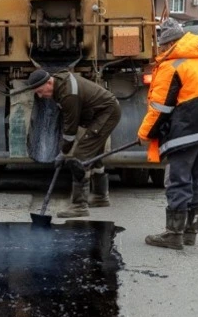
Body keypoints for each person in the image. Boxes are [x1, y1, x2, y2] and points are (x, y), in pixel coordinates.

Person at [137, 18, 198, 250]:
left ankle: (174, 234)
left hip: (188, 130)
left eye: (162, 46)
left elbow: (160, 108)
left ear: (168, 43)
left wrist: (144, 134)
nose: (161, 50)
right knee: (197, 179)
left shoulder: (173, 65)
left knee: (178, 180)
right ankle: (190, 232)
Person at [19, 69, 121, 218]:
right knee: (94, 153)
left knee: (80, 157)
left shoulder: (68, 94)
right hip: (99, 113)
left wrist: (63, 152)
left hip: (107, 113)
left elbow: (70, 131)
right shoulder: (59, 85)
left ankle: (79, 206)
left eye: (40, 91)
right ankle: (100, 197)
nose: (40, 96)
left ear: (49, 82)